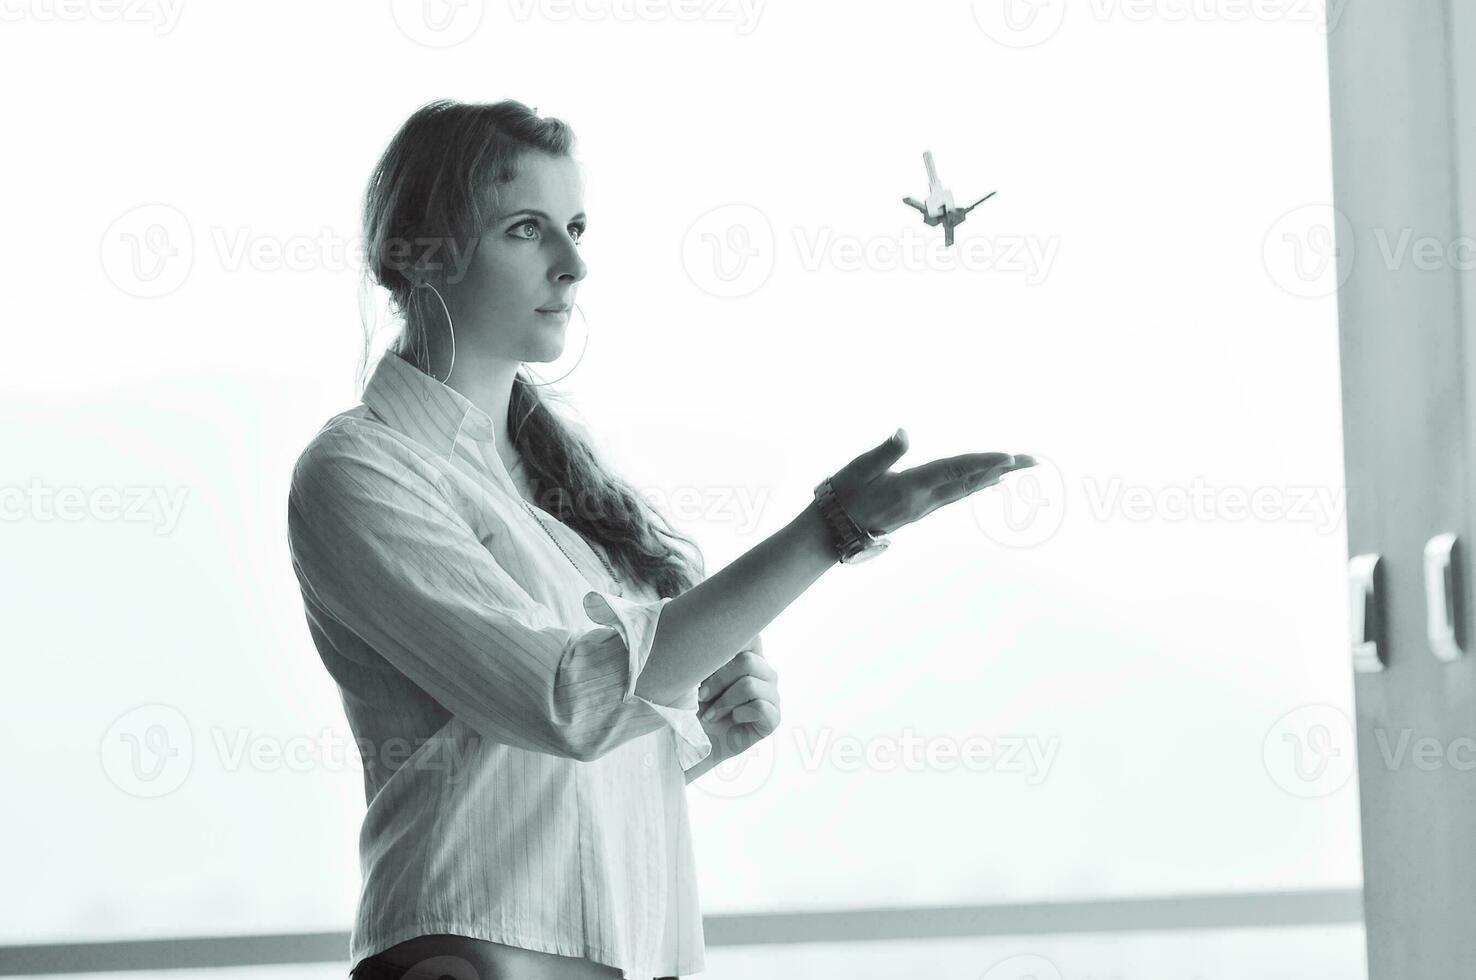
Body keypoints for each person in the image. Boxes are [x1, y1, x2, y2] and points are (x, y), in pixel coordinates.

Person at [287, 98, 1035, 980]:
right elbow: (566, 702)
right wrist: (831, 529)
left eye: (575, 226)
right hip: (477, 955)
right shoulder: (362, 471)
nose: (573, 264)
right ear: (424, 254)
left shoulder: (557, 493)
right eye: (528, 230)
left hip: (623, 950)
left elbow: (552, 763)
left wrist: (700, 735)